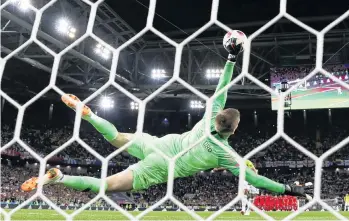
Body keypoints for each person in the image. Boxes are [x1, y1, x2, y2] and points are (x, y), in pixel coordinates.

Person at [21, 35, 312, 200]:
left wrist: (232, 57)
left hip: (160, 144)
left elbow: (223, 87)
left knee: (118, 137)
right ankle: (60, 177)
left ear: (217, 119)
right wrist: (290, 189)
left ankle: (91, 116)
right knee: (107, 185)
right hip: (163, 167)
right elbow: (256, 180)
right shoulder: (227, 155)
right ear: (233, 132)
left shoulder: (212, 113)